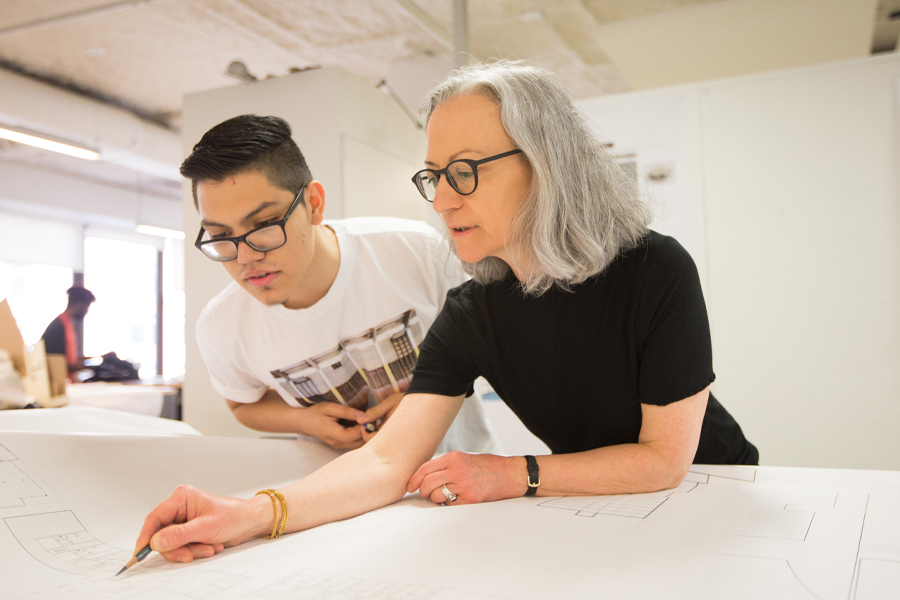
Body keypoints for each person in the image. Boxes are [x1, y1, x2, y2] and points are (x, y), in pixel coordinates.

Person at [134, 62, 758, 564]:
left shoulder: (654, 269)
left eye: (465, 172)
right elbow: (385, 461)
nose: (442, 199)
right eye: (434, 176)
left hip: (718, 491)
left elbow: (664, 459)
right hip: (607, 506)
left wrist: (513, 474)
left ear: (547, 166)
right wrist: (249, 513)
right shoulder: (474, 309)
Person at [180, 114, 500, 453]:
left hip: (467, 481)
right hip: (346, 497)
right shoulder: (222, 326)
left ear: (313, 204)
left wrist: (424, 400)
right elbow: (242, 405)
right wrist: (302, 420)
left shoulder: (416, 251)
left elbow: (492, 351)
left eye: (263, 224)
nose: (244, 257)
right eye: (220, 236)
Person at [41, 286, 95, 374]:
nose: (87, 311)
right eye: (87, 307)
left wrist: (98, 358)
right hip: (60, 382)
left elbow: (70, 359)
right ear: (79, 306)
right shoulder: (57, 327)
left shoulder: (68, 324)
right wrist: (93, 366)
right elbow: (57, 363)